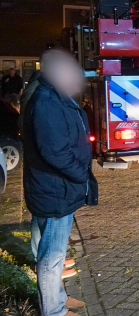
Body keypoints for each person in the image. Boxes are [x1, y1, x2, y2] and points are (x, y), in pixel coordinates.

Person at [23, 50, 98, 316]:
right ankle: (53, 311)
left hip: (54, 187)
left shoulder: (53, 95)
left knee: (51, 249)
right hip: (55, 189)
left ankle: (59, 299)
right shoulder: (46, 101)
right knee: (51, 258)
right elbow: (54, 151)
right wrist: (81, 173)